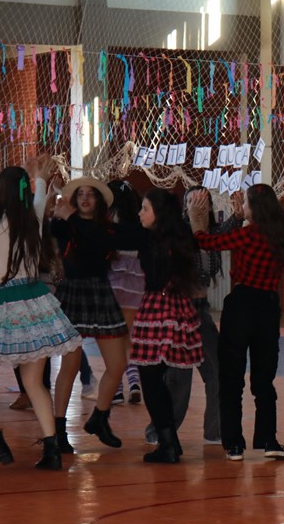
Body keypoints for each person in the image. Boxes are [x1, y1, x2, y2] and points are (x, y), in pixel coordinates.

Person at [0, 150, 83, 471]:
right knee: (34, 382)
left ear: (2, 190)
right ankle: (52, 450)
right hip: (36, 300)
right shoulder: (33, 216)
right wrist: (39, 177)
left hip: (5, 304)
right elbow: (39, 194)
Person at [189, 184, 284, 461]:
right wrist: (240, 215)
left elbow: (208, 242)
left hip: (241, 305)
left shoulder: (248, 234)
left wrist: (196, 221)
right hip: (268, 307)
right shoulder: (282, 235)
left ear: (253, 208)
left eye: (245, 204)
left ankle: (234, 444)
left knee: (232, 377)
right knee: (264, 379)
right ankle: (268, 439)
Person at [49, 177, 132, 453]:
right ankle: (58, 431)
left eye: (90, 194)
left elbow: (97, 239)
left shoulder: (107, 229)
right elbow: (53, 229)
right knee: (69, 366)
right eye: (80, 194)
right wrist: (54, 206)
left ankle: (100, 417)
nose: (84, 198)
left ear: (98, 201)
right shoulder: (63, 225)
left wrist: (70, 216)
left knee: (117, 363)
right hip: (73, 294)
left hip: (100, 293)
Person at [128, 189, 204, 463]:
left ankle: (168, 443)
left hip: (159, 309)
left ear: (158, 213)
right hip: (176, 307)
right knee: (154, 377)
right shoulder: (179, 238)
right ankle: (169, 440)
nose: (140, 214)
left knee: (151, 377)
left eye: (145, 209)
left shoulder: (152, 240)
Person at [150, 185, 229, 446]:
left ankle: (214, 431)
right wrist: (195, 226)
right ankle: (161, 430)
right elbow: (188, 266)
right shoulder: (179, 232)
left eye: (204, 201)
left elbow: (210, 268)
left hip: (201, 311)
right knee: (179, 375)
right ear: (185, 207)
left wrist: (237, 217)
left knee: (218, 370)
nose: (199, 205)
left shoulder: (211, 233)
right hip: (179, 312)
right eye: (193, 201)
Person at [107, 179, 144, 406]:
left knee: (113, 337)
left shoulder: (110, 218)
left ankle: (117, 388)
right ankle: (134, 380)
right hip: (136, 280)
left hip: (114, 277)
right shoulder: (139, 218)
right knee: (127, 335)